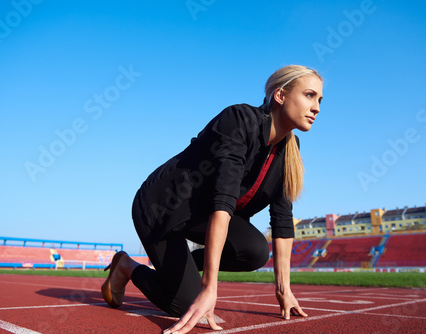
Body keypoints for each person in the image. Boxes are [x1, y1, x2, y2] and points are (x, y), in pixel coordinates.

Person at [101, 64, 323, 333]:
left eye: (320, 100)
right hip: (162, 208)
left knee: (255, 251)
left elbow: (282, 220)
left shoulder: (290, 151)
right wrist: (208, 288)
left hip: (201, 215)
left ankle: (179, 273)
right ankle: (126, 266)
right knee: (186, 305)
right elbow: (223, 200)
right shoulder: (239, 120)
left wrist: (284, 289)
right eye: (310, 95)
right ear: (280, 95)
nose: (317, 108)